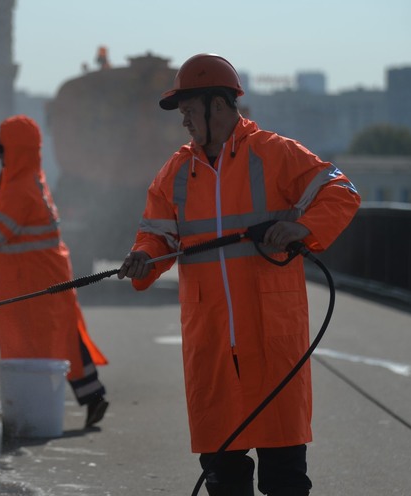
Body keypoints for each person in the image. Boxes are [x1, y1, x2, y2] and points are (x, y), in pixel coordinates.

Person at [117, 54, 360, 495]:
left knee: (285, 479)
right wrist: (142, 257)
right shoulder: (174, 174)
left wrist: (302, 227)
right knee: (224, 480)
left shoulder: (275, 153)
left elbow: (342, 191)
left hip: (272, 343)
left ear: (218, 106)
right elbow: (155, 236)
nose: (185, 122)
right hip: (210, 347)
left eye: (190, 111)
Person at [0, 114, 110, 428]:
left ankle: (50, 405)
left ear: (17, 152)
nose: (0, 157)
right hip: (43, 275)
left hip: (32, 282)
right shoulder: (27, 179)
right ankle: (92, 397)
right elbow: (2, 204)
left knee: (38, 347)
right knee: (62, 338)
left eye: (3, 151)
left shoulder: (21, 187)